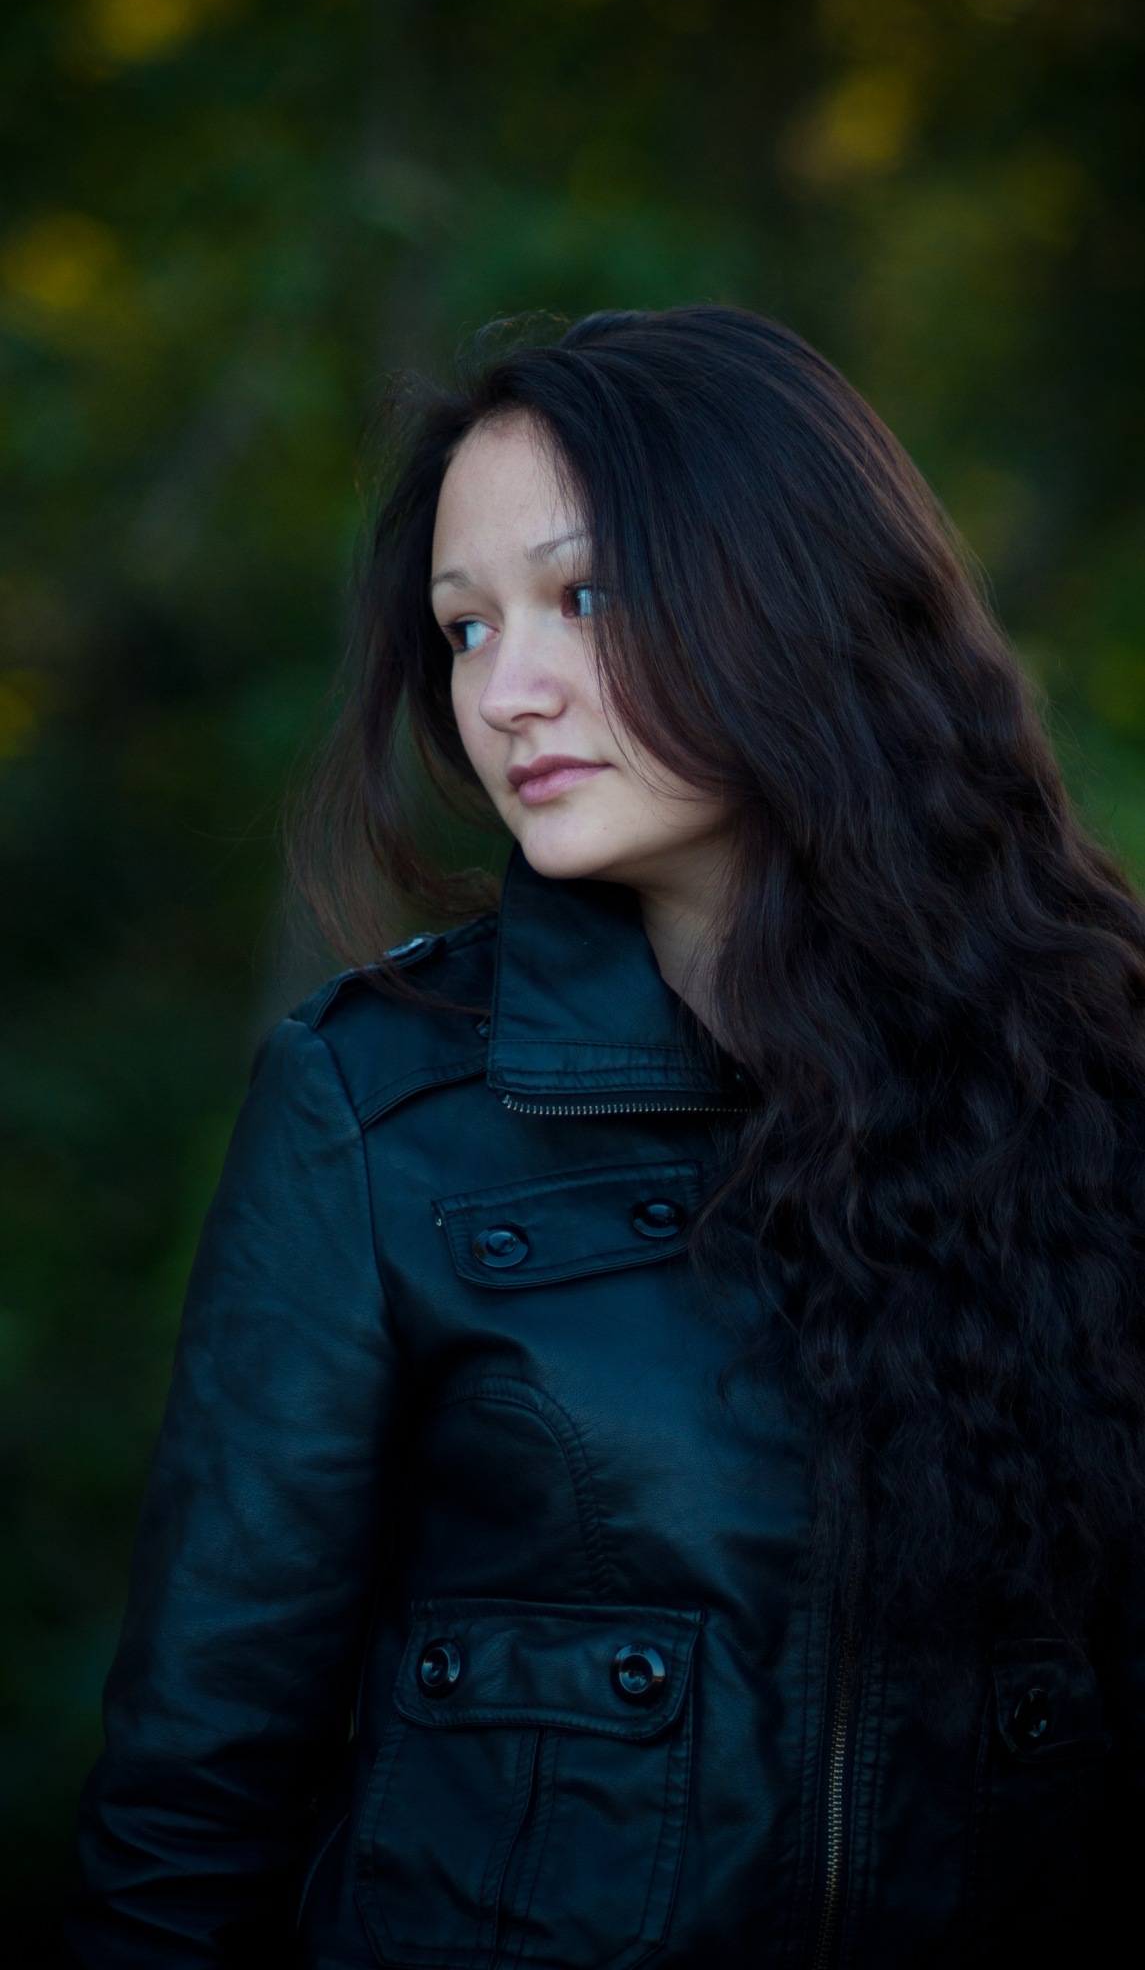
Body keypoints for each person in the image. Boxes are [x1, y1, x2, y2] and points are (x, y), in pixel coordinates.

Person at [63, 306, 1145, 1968]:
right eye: (464, 627)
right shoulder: (379, 1112)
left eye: (582, 597)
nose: (506, 691)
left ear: (792, 589)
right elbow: (189, 1813)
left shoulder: (1093, 1091)